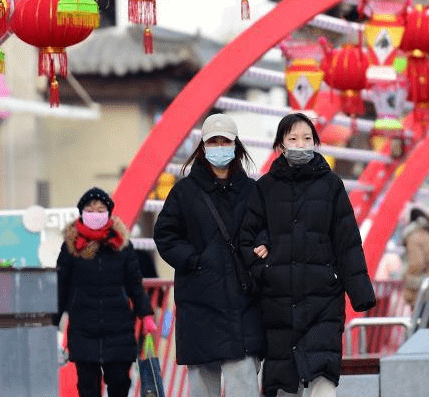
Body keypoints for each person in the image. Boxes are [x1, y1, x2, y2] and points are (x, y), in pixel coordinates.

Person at [240, 112, 375, 397]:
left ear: (315, 142)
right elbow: (247, 237)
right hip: (278, 303)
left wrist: (360, 293)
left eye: (307, 138)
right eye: (293, 139)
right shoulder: (265, 187)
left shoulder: (331, 185)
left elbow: (347, 241)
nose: (300, 145)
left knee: (323, 379)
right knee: (284, 385)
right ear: (280, 145)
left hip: (322, 298)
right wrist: (263, 266)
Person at [154, 113, 264, 397]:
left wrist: (262, 249)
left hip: (243, 302)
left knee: (244, 384)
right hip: (200, 302)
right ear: (202, 147)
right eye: (212, 141)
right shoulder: (184, 192)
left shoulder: (252, 191)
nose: (219, 147)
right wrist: (193, 260)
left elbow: (267, 230)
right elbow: (165, 235)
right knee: (202, 386)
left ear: (236, 145)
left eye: (224, 141)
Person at [55, 187, 157, 397]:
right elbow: (61, 286)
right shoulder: (71, 246)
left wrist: (145, 314)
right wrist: (53, 322)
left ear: (109, 213)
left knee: (120, 385)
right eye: (90, 210)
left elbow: (134, 283)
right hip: (83, 329)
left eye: (100, 210)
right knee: (87, 388)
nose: (95, 214)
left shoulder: (121, 244)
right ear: (82, 212)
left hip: (118, 328)